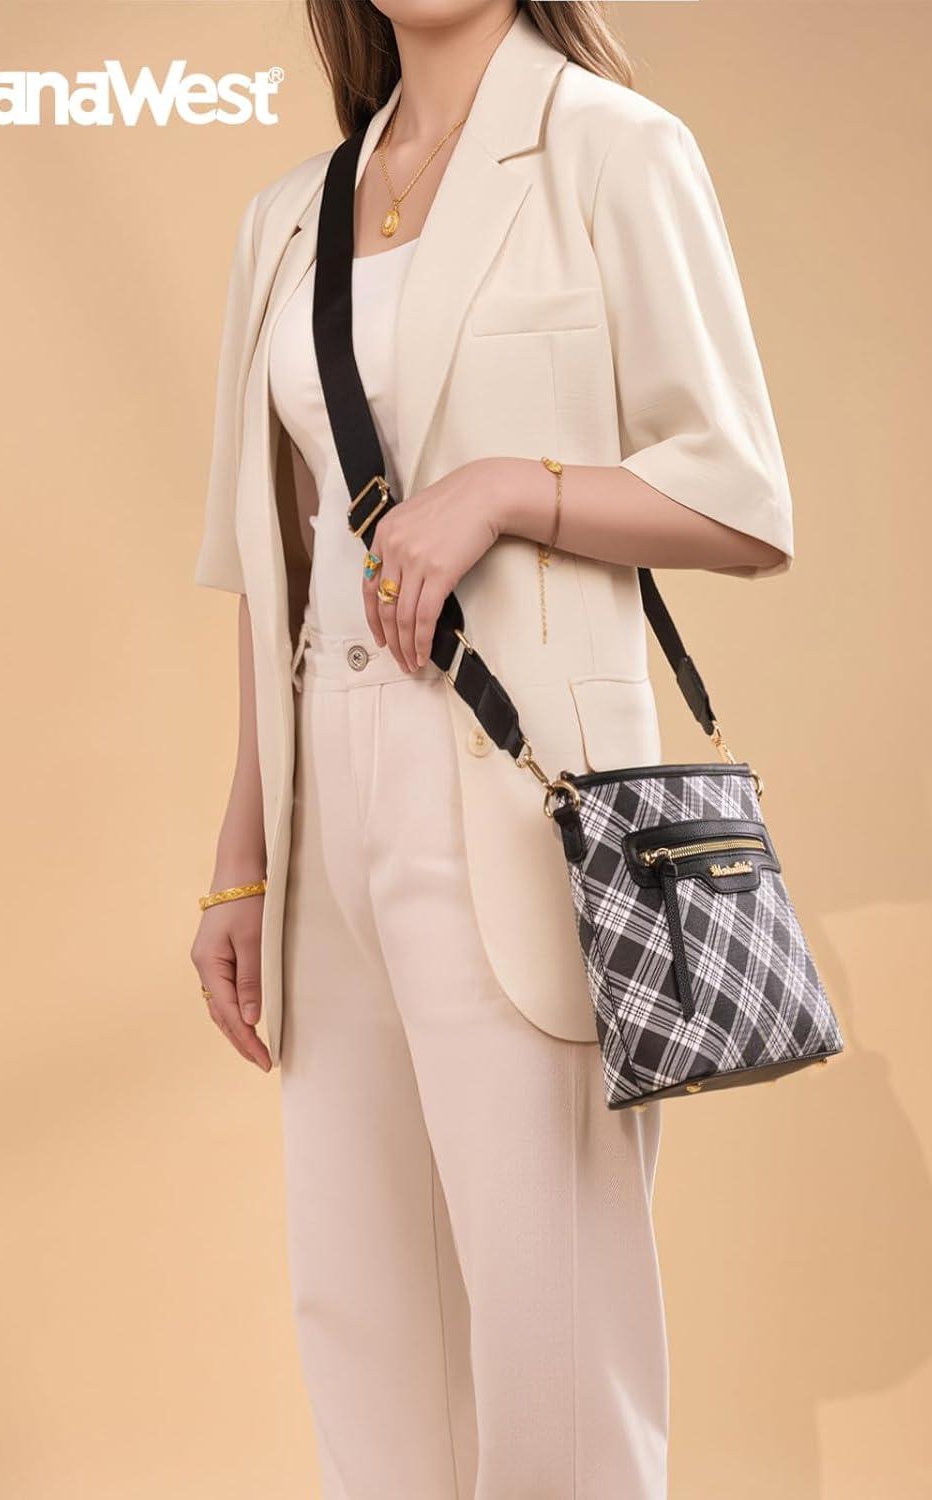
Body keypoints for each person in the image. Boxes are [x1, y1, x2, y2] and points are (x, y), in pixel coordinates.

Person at [190, 3, 796, 1494]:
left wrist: (504, 490)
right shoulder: (290, 218)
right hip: (327, 812)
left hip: (522, 798)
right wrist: (242, 854)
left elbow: (741, 499)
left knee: (550, 1318)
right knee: (364, 1313)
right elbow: (277, 562)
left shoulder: (613, 151)